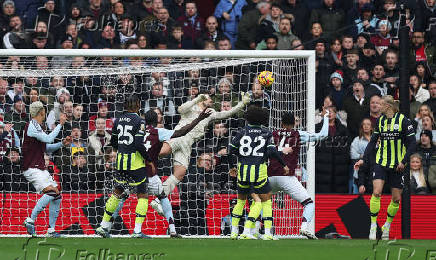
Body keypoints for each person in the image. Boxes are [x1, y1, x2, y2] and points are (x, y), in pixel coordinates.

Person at [105, 108, 212, 238]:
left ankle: (106, 227)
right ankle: (171, 230)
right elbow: (182, 132)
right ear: (157, 121)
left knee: (122, 196)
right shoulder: (158, 132)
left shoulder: (135, 131)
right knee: (162, 197)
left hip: (131, 171)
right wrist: (199, 119)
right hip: (149, 174)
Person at [159, 92, 251, 199]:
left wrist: (242, 104)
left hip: (187, 145)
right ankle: (142, 157)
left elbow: (227, 113)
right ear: (202, 99)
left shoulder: (210, 113)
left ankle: (159, 198)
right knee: (161, 152)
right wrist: (196, 99)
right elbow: (181, 109)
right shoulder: (191, 106)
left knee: (180, 173)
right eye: (208, 98)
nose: (211, 100)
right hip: (178, 137)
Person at [355, 95, 416, 240]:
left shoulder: (403, 121)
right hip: (381, 162)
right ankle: (373, 225)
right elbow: (373, 142)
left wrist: (404, 161)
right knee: (376, 192)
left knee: (396, 199)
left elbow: (413, 143)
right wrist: (363, 159)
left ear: (388, 106)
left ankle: (386, 226)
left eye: (381, 105)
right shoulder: (380, 121)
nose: (378, 107)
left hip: (398, 166)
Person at [264, 110, 329, 239]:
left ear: (281, 123)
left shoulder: (271, 134)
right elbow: (323, 135)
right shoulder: (299, 134)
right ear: (294, 123)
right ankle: (304, 228)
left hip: (270, 176)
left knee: (260, 202)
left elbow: (264, 150)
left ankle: (262, 230)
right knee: (309, 203)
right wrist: (325, 117)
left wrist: (279, 149)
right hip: (287, 177)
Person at [96, 95, 153, 239]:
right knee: (143, 194)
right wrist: (148, 159)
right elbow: (139, 143)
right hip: (135, 163)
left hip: (120, 161)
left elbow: (114, 142)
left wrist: (122, 149)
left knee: (117, 191)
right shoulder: (140, 120)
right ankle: (137, 231)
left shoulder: (118, 120)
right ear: (137, 104)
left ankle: (103, 226)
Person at [228, 105, 289, 240]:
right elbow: (272, 151)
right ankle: (265, 233)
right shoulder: (266, 133)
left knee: (240, 201)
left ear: (248, 118)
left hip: (242, 171)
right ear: (262, 118)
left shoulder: (242, 131)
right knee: (264, 201)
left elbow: (230, 150)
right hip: (259, 172)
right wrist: (283, 164)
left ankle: (234, 231)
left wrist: (233, 166)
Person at [22, 101, 72, 237]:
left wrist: (62, 143)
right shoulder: (32, 126)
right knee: (52, 192)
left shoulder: (37, 126)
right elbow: (49, 138)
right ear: (42, 112)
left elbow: (46, 147)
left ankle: (51, 230)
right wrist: (61, 124)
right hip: (32, 167)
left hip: (38, 166)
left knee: (57, 196)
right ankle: (30, 220)